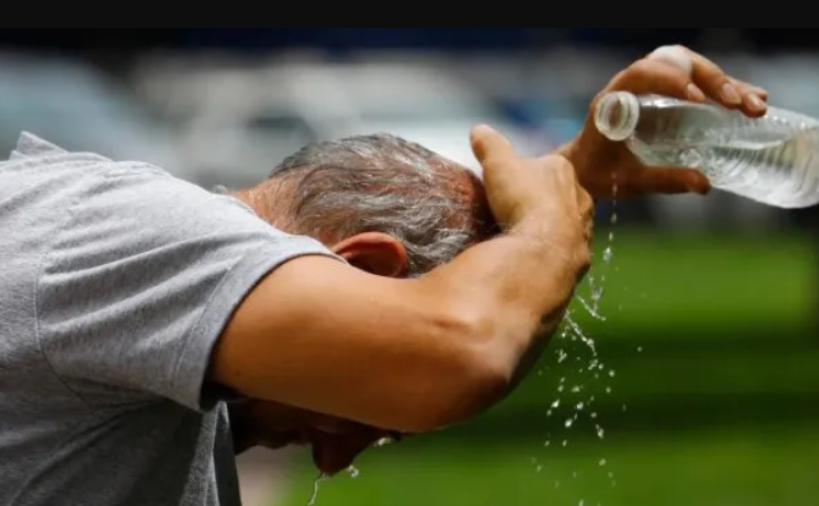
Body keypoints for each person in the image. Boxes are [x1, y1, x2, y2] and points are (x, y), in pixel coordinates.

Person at [0, 45, 767, 506]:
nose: (334, 460)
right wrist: (545, 228)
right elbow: (456, 354)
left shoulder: (141, 299)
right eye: (373, 417)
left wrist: (566, 178)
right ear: (365, 267)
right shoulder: (138, 230)